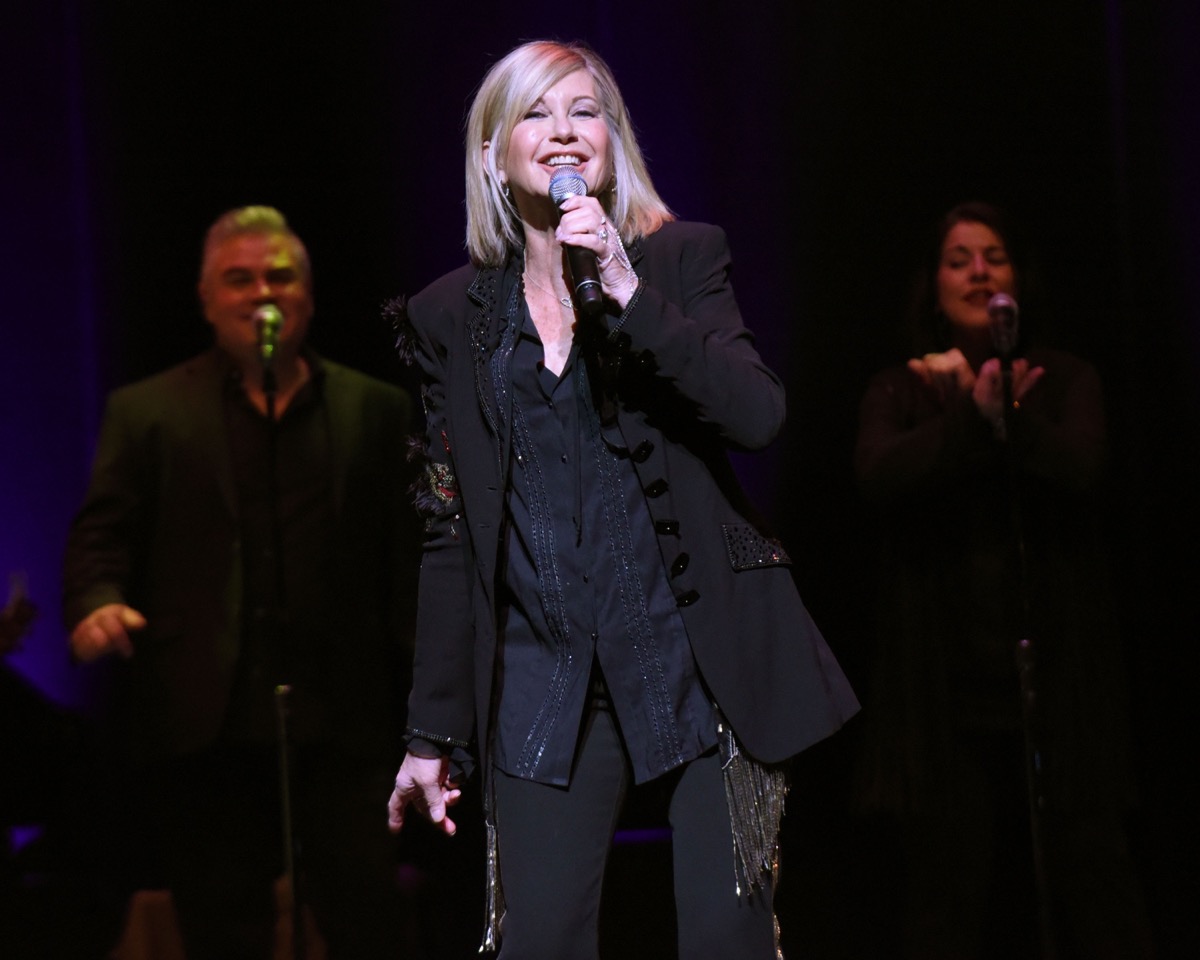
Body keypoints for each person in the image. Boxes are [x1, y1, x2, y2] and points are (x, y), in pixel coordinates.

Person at [384, 39, 859, 960]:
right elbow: (450, 532)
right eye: (535, 113)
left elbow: (757, 414)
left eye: (584, 112)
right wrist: (431, 734)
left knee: (725, 938)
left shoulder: (679, 259)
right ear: (493, 153)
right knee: (539, 941)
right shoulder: (451, 317)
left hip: (701, 661)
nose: (564, 132)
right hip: (546, 675)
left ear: (614, 142)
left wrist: (629, 292)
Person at [63, 205, 420, 960]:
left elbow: (409, 560)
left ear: (308, 295)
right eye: (240, 278)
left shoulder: (373, 409)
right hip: (207, 722)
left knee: (368, 918)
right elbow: (102, 534)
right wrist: (99, 602)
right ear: (206, 299)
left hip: (343, 717)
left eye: (279, 277)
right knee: (223, 929)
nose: (262, 292)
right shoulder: (148, 411)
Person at [852, 201, 1153, 958]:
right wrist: (967, 415)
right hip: (944, 694)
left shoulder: (1065, 378)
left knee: (1095, 884)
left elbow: (1084, 468)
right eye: (959, 260)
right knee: (943, 899)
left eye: (994, 256)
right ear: (933, 285)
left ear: (1019, 279)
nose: (979, 272)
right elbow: (878, 476)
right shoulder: (901, 388)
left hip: (1058, 682)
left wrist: (1008, 413)